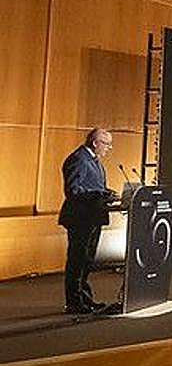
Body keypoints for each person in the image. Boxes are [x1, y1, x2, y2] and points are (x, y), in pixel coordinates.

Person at [58, 127, 117, 314]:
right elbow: (73, 190)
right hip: (80, 218)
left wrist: (105, 193)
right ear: (95, 143)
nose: (108, 148)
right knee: (77, 260)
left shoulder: (94, 160)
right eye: (106, 144)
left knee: (87, 261)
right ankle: (74, 302)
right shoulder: (79, 159)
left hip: (92, 217)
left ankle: (85, 298)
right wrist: (99, 194)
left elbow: (93, 187)